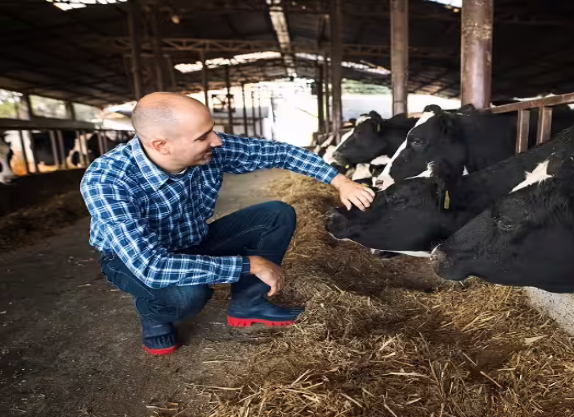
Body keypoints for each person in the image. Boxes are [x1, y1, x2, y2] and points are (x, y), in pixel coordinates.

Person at [80, 92, 375, 355]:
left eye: (211, 131)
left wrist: (341, 181)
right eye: (202, 137)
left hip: (193, 240)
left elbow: (282, 153)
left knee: (276, 213)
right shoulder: (108, 180)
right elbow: (153, 267)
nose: (217, 141)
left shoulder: (213, 149)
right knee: (189, 294)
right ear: (162, 145)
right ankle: (153, 314)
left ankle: (250, 303)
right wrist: (249, 264)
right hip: (133, 261)